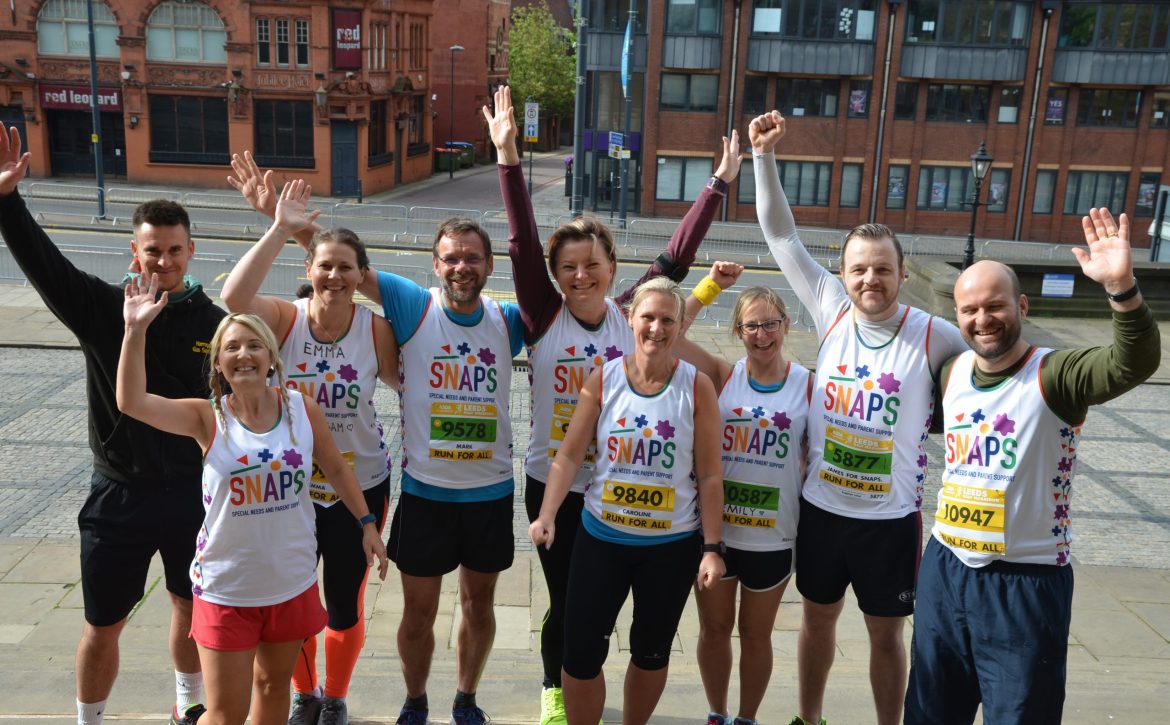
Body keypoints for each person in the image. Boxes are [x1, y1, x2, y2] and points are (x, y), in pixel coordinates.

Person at [226, 152, 524, 725]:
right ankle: (381, 699)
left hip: (448, 491)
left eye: (471, 258)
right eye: (450, 258)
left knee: (452, 604)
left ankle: (458, 698)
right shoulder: (409, 307)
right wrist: (282, 224)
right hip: (389, 491)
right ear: (434, 266)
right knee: (336, 602)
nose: (461, 266)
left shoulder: (506, 319)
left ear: (489, 264)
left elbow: (578, 298)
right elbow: (337, 264)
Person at [482, 84, 741, 725]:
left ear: (610, 265)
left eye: (591, 264)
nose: (580, 276)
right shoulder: (543, 315)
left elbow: (676, 263)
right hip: (555, 481)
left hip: (623, 489)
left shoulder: (631, 316)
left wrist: (718, 184)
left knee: (597, 611)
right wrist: (508, 158)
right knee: (567, 606)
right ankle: (556, 690)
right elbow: (518, 242)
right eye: (567, 266)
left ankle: (594, 694)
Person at [749, 110, 968, 725]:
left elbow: (1000, 373)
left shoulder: (936, 335)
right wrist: (764, 157)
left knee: (885, 635)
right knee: (817, 619)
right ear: (843, 275)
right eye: (859, 268)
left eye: (882, 268)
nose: (870, 278)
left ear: (902, 273)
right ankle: (808, 718)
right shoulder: (830, 307)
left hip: (890, 522)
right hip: (822, 512)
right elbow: (782, 237)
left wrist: (1060, 404)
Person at [0, 123, 222, 725]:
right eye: (153, 250)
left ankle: (186, 704)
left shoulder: (214, 322)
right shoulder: (101, 308)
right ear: (135, 252)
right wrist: (6, 201)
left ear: (191, 251)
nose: (165, 260)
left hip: (190, 496)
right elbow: (45, 266)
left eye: (175, 249)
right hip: (118, 493)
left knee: (189, 607)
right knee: (102, 624)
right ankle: (88, 720)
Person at [905, 209, 1160, 723]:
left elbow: (1133, 363)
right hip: (947, 568)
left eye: (995, 306)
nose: (982, 319)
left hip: (1025, 583)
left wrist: (1122, 288)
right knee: (930, 712)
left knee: (1021, 715)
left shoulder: (1056, 372)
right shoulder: (952, 373)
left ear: (1020, 305)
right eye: (970, 310)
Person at [116, 277, 389, 725]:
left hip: (290, 581)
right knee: (225, 713)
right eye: (232, 348)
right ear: (219, 363)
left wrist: (366, 523)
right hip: (227, 588)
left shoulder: (302, 408)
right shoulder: (208, 417)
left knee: (272, 689)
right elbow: (131, 402)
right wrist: (134, 331)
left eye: (254, 346)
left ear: (270, 357)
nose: (244, 355)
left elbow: (337, 468)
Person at [219, 180, 400, 725]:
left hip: (359, 483)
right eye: (324, 266)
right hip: (289, 486)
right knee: (293, 602)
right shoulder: (286, 319)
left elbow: (410, 384)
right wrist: (281, 226)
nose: (334, 277)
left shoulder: (376, 329)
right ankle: (305, 693)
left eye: (347, 268)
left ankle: (336, 696)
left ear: (360, 276)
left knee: (343, 602)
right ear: (309, 270)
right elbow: (232, 299)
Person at [528, 277, 727, 725]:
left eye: (667, 320)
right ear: (631, 320)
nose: (657, 328)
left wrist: (712, 549)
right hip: (601, 541)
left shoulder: (697, 388)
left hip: (671, 548)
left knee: (651, 652)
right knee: (580, 654)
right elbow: (570, 454)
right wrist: (548, 514)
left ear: (680, 327)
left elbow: (711, 474)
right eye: (648, 318)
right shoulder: (604, 377)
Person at [677, 271, 811, 725]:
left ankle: (747, 718)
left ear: (787, 325)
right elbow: (672, 332)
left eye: (770, 323)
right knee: (715, 630)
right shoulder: (722, 375)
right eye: (751, 326)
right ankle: (717, 713)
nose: (762, 335)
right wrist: (709, 287)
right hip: (718, 535)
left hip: (773, 538)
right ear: (738, 332)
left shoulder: (808, 385)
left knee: (756, 636)